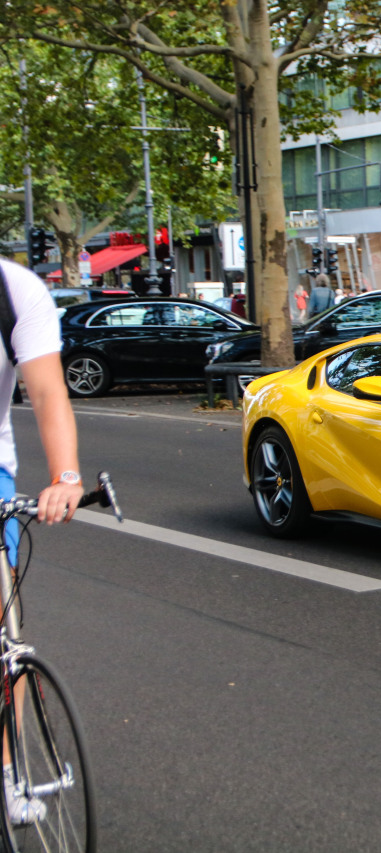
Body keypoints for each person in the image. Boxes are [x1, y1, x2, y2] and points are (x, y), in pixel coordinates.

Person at [0, 257, 85, 826]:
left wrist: (66, 476)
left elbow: (49, 391)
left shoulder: (14, 290)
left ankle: (7, 773)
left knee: (4, 633)